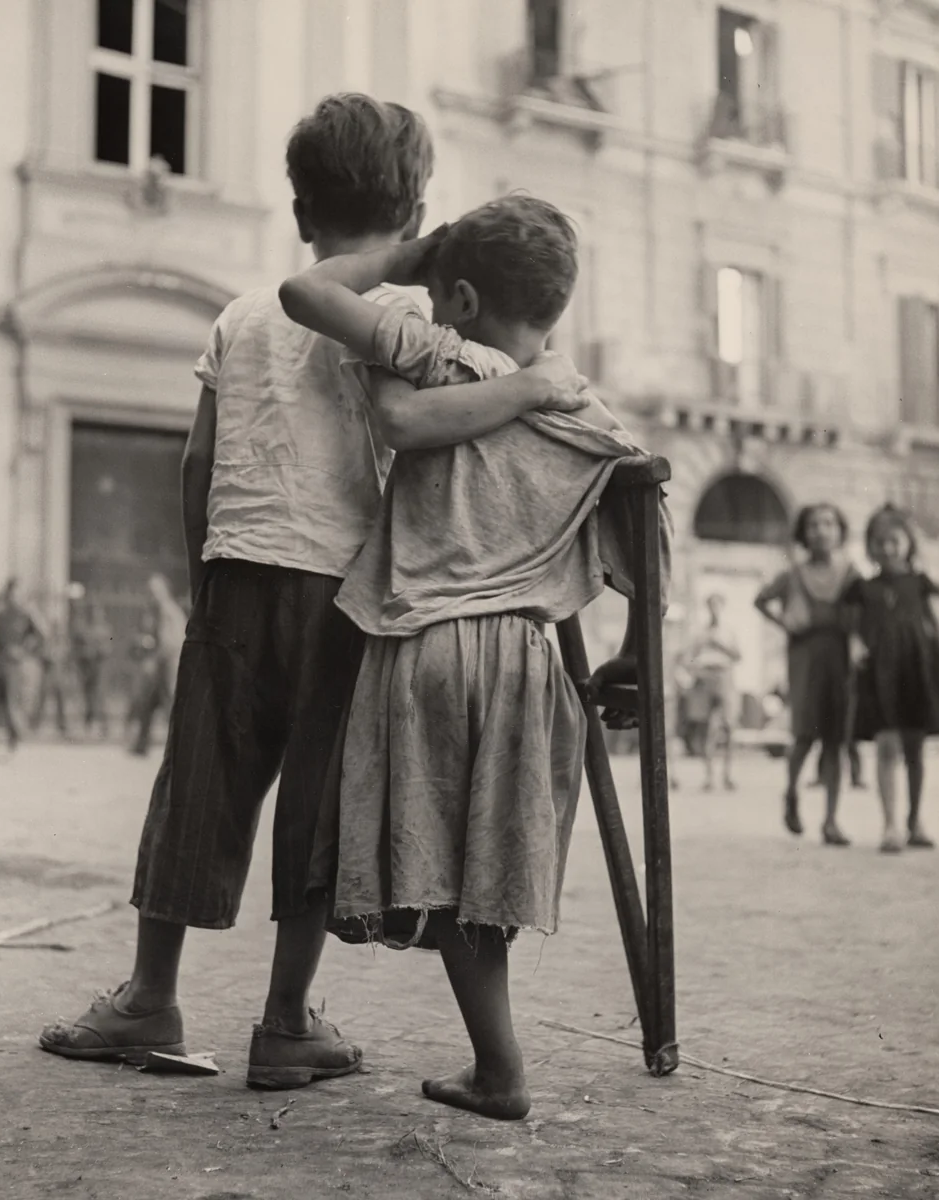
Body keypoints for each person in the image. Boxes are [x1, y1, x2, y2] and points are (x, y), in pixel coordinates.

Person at [38, 94, 589, 1084]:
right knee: (316, 810)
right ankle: (285, 1019)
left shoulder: (244, 313)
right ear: (417, 211)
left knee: (198, 790)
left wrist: (202, 574)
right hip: (351, 595)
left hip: (240, 575)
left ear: (300, 211)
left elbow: (197, 465)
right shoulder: (424, 318)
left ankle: (150, 995)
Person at [280, 195, 671, 1121]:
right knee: (488, 872)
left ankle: (500, 1071)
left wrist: (407, 256)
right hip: (531, 666)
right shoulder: (589, 415)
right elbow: (647, 535)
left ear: (455, 295)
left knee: (448, 877)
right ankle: (495, 1066)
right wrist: (633, 660)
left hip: (430, 647)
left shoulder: (441, 356)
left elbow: (305, 290)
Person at [755, 504, 860, 845]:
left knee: (835, 740)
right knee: (804, 735)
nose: (821, 530)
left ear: (839, 530)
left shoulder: (851, 573)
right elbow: (761, 600)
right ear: (804, 532)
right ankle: (791, 793)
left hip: (840, 660)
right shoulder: (792, 574)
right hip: (805, 658)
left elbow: (865, 609)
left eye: (829, 523)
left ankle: (831, 820)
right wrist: (784, 623)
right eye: (814, 525)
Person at [844, 504, 939, 853]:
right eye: (879, 542)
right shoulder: (863, 588)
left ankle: (915, 821)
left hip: (917, 669)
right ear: (870, 546)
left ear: (908, 543)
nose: (887, 548)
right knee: (887, 746)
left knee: (916, 749)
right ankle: (890, 825)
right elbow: (855, 630)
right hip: (880, 672)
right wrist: (855, 647)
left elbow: (937, 625)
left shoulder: (920, 583)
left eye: (894, 540)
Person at [0, 578, 43, 753]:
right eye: (11, 592)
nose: (14, 596)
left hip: (12, 665)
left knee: (11, 704)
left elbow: (40, 636)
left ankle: (14, 741)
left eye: (17, 592)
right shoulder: (0, 613)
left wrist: (23, 650)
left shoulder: (26, 615)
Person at [682, 594, 740, 791]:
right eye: (711, 606)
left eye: (717, 605)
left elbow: (738, 655)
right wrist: (696, 671)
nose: (714, 609)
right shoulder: (700, 632)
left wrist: (720, 644)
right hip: (705, 677)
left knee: (729, 727)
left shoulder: (728, 630)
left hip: (724, 676)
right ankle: (709, 777)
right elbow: (688, 658)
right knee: (707, 728)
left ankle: (728, 775)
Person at [130, 574, 187, 757]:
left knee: (169, 705)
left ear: (164, 591)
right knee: (150, 704)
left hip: (168, 663)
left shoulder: (168, 611)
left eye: (154, 591)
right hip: (163, 662)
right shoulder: (158, 610)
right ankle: (142, 744)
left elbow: (170, 641)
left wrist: (154, 661)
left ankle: (179, 747)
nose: (151, 594)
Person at [71, 601, 113, 737]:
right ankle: (88, 724)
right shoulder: (85, 629)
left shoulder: (106, 629)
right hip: (88, 666)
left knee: (100, 695)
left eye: (98, 613)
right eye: (94, 613)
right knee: (88, 695)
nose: (96, 616)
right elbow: (79, 648)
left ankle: (105, 725)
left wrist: (99, 650)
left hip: (100, 666)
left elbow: (108, 648)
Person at [32, 616, 70, 738]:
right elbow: (43, 654)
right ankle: (35, 723)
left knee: (60, 699)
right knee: (42, 698)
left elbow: (65, 655)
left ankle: (62, 724)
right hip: (48, 673)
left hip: (59, 674)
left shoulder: (63, 642)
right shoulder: (47, 641)